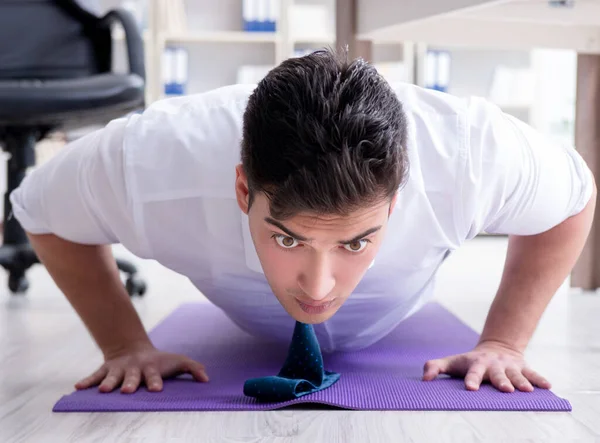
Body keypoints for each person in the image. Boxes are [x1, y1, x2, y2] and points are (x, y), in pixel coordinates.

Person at [10, 49, 596, 396]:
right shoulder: (150, 162)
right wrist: (124, 343)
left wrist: (503, 341)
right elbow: (39, 211)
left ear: (396, 204)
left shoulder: (471, 153)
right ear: (243, 189)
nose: (317, 288)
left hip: (400, 317)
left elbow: (575, 199)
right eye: (288, 238)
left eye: (356, 241)